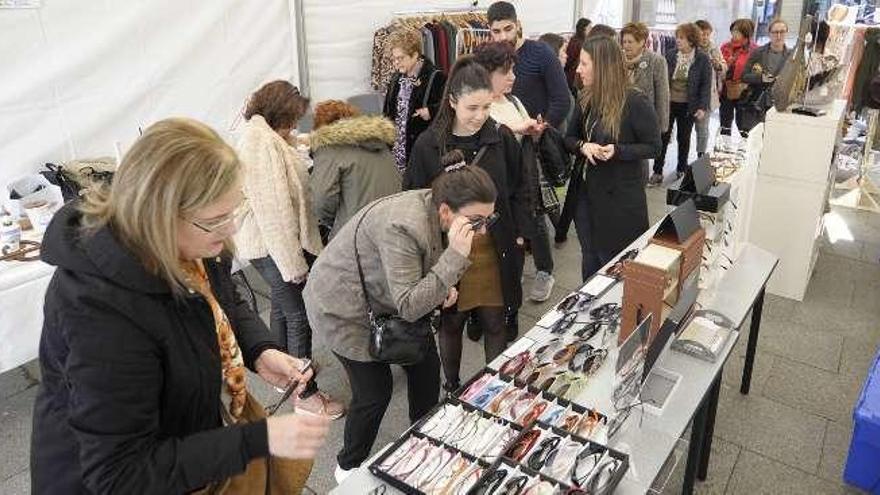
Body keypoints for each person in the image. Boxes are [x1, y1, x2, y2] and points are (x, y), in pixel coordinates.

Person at [31, 118, 331, 493]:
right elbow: (120, 474)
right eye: (216, 219)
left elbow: (220, 299)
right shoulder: (98, 310)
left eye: (233, 212)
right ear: (159, 215)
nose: (231, 229)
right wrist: (256, 440)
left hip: (184, 436)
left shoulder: (190, 245)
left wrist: (259, 349)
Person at [304, 164, 497, 483]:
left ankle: (421, 443)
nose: (483, 232)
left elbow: (418, 273)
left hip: (385, 299)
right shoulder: (403, 225)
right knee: (374, 392)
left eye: (489, 220)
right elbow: (409, 305)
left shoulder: (436, 208)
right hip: (343, 310)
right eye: (477, 222)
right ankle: (348, 465)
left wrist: (440, 286)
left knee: (425, 372)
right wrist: (454, 260)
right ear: (447, 210)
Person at [405, 56, 528, 385]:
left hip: (494, 247)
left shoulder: (501, 138)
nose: (480, 116)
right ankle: (452, 387)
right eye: (472, 108)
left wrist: (520, 235)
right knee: (451, 322)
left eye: (486, 107)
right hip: (447, 251)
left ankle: (495, 386)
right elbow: (414, 202)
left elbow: (519, 189)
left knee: (495, 320)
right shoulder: (428, 145)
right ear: (453, 101)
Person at [234, 81, 344, 418]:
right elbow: (275, 211)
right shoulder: (261, 144)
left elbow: (291, 145)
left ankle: (285, 374)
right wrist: (292, 264)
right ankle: (305, 395)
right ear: (279, 113)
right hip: (271, 245)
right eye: (293, 119)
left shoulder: (264, 135)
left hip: (265, 243)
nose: (296, 126)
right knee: (299, 317)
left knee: (282, 310)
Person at [564, 35, 662, 279]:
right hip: (586, 196)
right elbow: (568, 139)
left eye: (584, 63)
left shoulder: (634, 101)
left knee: (614, 263)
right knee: (590, 258)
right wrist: (583, 146)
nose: (578, 69)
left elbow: (653, 146)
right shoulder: (586, 97)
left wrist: (617, 151)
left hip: (619, 201)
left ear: (602, 65)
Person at [473, 41, 554, 305]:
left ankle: (540, 273)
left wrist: (532, 131)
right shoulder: (478, 108)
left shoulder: (515, 101)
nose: (513, 77)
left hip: (523, 183)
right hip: (497, 190)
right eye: (505, 72)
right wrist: (519, 128)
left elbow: (522, 137)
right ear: (487, 74)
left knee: (533, 225)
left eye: (513, 70)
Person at [310, 100, 401, 239]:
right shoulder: (381, 145)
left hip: (354, 234)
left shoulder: (329, 149)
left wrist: (331, 223)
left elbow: (320, 201)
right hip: (390, 227)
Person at [487, 1, 571, 130]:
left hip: (539, 139)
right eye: (496, 31)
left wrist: (542, 130)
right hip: (506, 138)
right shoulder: (490, 59)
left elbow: (561, 100)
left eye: (508, 29)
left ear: (518, 25)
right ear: (490, 30)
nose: (503, 37)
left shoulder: (542, 52)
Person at [654, 23, 712, 183]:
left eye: (682, 38)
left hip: (689, 105)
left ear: (691, 40)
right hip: (668, 103)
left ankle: (681, 168)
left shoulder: (702, 58)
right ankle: (657, 171)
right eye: (677, 37)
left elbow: (706, 85)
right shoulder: (671, 55)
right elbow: (661, 80)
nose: (677, 40)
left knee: (684, 137)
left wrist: (702, 107)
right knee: (663, 135)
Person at [382, 29, 447, 173]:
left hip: (422, 154)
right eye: (394, 59)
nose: (396, 63)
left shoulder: (436, 77)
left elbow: (449, 108)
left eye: (400, 58)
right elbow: (387, 113)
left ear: (415, 55)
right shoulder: (396, 78)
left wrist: (431, 111)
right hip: (397, 153)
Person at [620, 22, 670, 181]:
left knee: (640, 158)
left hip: (643, 120)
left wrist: (661, 126)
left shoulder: (656, 61)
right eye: (624, 41)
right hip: (619, 118)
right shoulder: (618, 60)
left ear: (642, 42)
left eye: (630, 42)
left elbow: (662, 94)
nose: (626, 46)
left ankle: (639, 187)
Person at [741, 19, 791, 131]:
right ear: (769, 34)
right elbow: (744, 75)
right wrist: (761, 78)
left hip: (780, 104)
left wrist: (783, 80)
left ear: (787, 33)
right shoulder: (758, 52)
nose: (778, 35)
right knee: (755, 137)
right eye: (775, 32)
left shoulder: (792, 56)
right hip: (758, 103)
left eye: (782, 32)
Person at [694, 19, 728, 156]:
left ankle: (700, 155)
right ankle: (682, 162)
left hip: (706, 95)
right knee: (685, 130)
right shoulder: (690, 48)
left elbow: (724, 66)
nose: (705, 37)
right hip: (688, 95)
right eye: (702, 34)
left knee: (702, 129)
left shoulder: (713, 48)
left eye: (707, 34)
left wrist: (719, 65)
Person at [720, 18, 756, 136]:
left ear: (746, 34)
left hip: (745, 92)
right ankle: (725, 151)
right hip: (727, 90)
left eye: (737, 31)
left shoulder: (754, 50)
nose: (734, 34)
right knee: (725, 125)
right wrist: (727, 63)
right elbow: (719, 66)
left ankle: (745, 151)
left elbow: (757, 71)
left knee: (743, 126)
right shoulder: (725, 47)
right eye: (733, 31)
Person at [539, 32, 578, 134]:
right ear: (553, 53)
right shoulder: (553, 86)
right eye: (564, 51)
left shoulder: (559, 79)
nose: (566, 56)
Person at [565, 18, 592, 91]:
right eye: (589, 28)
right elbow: (569, 61)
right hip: (574, 77)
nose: (591, 30)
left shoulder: (578, 41)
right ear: (583, 29)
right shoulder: (577, 43)